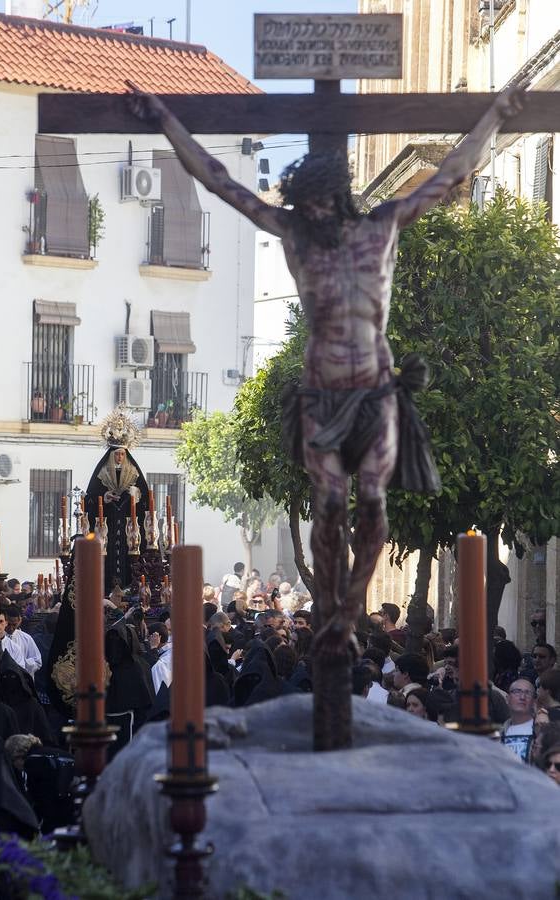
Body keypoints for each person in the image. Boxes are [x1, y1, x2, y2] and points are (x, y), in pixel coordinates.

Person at [129, 83, 522, 674]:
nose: (308, 215)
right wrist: (164, 118)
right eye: (301, 207)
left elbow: (448, 173)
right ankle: (334, 608)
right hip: (321, 394)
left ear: (333, 199)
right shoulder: (294, 236)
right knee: (330, 504)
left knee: (372, 505)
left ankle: (347, 610)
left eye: (315, 205)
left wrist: (494, 116)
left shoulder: (383, 227)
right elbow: (218, 179)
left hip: (373, 390)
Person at [85, 408, 149, 596]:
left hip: (130, 533)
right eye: (116, 454)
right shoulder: (101, 475)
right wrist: (103, 499)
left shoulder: (134, 475)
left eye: (122, 454)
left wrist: (135, 495)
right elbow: (89, 501)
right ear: (111, 456)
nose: (120, 457)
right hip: (108, 530)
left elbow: (146, 502)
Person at [500, 678, 536, 763]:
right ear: (507, 699)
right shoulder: (499, 732)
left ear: (534, 701)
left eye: (528, 693)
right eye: (517, 692)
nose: (522, 697)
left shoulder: (540, 730)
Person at [4, 605, 42, 677]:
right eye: (8, 624)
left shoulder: (26, 638)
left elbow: (37, 662)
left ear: (19, 621)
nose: (11, 628)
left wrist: (22, 662)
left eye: (14, 625)